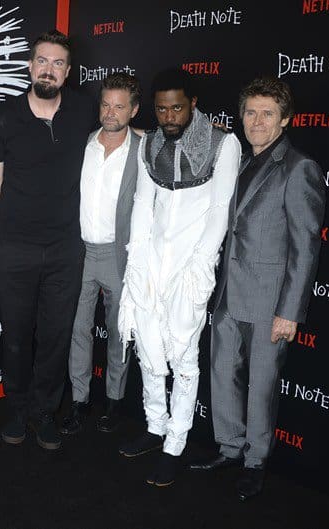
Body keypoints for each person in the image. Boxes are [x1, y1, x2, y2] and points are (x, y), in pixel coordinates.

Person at [189, 77, 326, 501]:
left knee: (262, 384)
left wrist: (290, 311)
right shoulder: (244, 162)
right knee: (222, 373)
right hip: (230, 294)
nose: (257, 121)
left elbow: (306, 247)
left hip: (270, 301)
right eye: (251, 112)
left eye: (268, 114)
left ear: (284, 120)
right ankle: (230, 447)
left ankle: (255, 462)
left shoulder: (299, 167)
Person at [117, 68, 241, 486]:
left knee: (183, 358)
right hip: (150, 262)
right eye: (162, 109)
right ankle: (155, 426)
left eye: (177, 107)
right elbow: (141, 202)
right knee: (149, 349)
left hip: (191, 268)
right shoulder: (149, 143)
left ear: (193, 105)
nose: (169, 116)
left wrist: (199, 267)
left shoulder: (224, 144)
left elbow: (220, 210)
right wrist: (137, 260)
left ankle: (175, 443)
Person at [0, 30, 95, 451]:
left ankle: (45, 411)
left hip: (66, 249)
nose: (49, 69)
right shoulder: (3, 116)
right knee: (15, 334)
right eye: (42, 61)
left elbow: (123, 131)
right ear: (31, 66)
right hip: (13, 246)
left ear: (67, 72)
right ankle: (16, 407)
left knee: (55, 335)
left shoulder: (84, 109)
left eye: (58, 63)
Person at [60, 73, 140, 436]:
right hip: (80, 250)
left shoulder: (144, 148)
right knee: (77, 329)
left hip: (118, 253)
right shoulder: (84, 143)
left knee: (117, 331)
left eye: (119, 106)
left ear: (133, 110)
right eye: (106, 104)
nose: (110, 112)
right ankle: (79, 400)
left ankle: (114, 400)